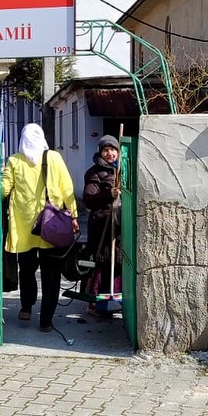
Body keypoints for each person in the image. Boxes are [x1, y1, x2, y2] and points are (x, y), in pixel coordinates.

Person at [1, 123, 78, 332]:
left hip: (24, 228)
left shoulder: (15, 160)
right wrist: (73, 215)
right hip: (51, 225)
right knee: (51, 274)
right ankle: (46, 320)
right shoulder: (54, 157)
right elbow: (67, 187)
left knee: (26, 269)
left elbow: (3, 190)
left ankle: (26, 307)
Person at [82, 134, 122, 317]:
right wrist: (108, 194)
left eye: (113, 149)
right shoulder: (94, 173)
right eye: (106, 150)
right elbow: (89, 200)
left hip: (119, 225)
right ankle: (95, 303)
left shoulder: (121, 170)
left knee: (118, 263)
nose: (110, 153)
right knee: (101, 264)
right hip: (101, 225)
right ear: (100, 152)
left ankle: (116, 302)